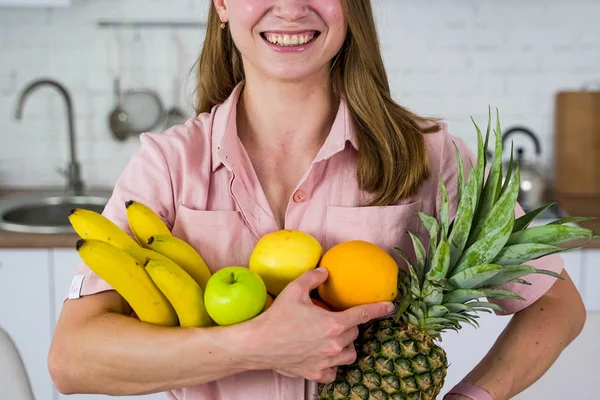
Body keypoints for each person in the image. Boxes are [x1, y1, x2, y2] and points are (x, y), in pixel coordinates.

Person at [48, 1, 587, 399]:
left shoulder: (429, 155)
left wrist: (471, 398)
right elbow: (73, 360)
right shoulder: (168, 166)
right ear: (222, 5)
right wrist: (253, 345)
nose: (289, 8)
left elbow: (555, 303)